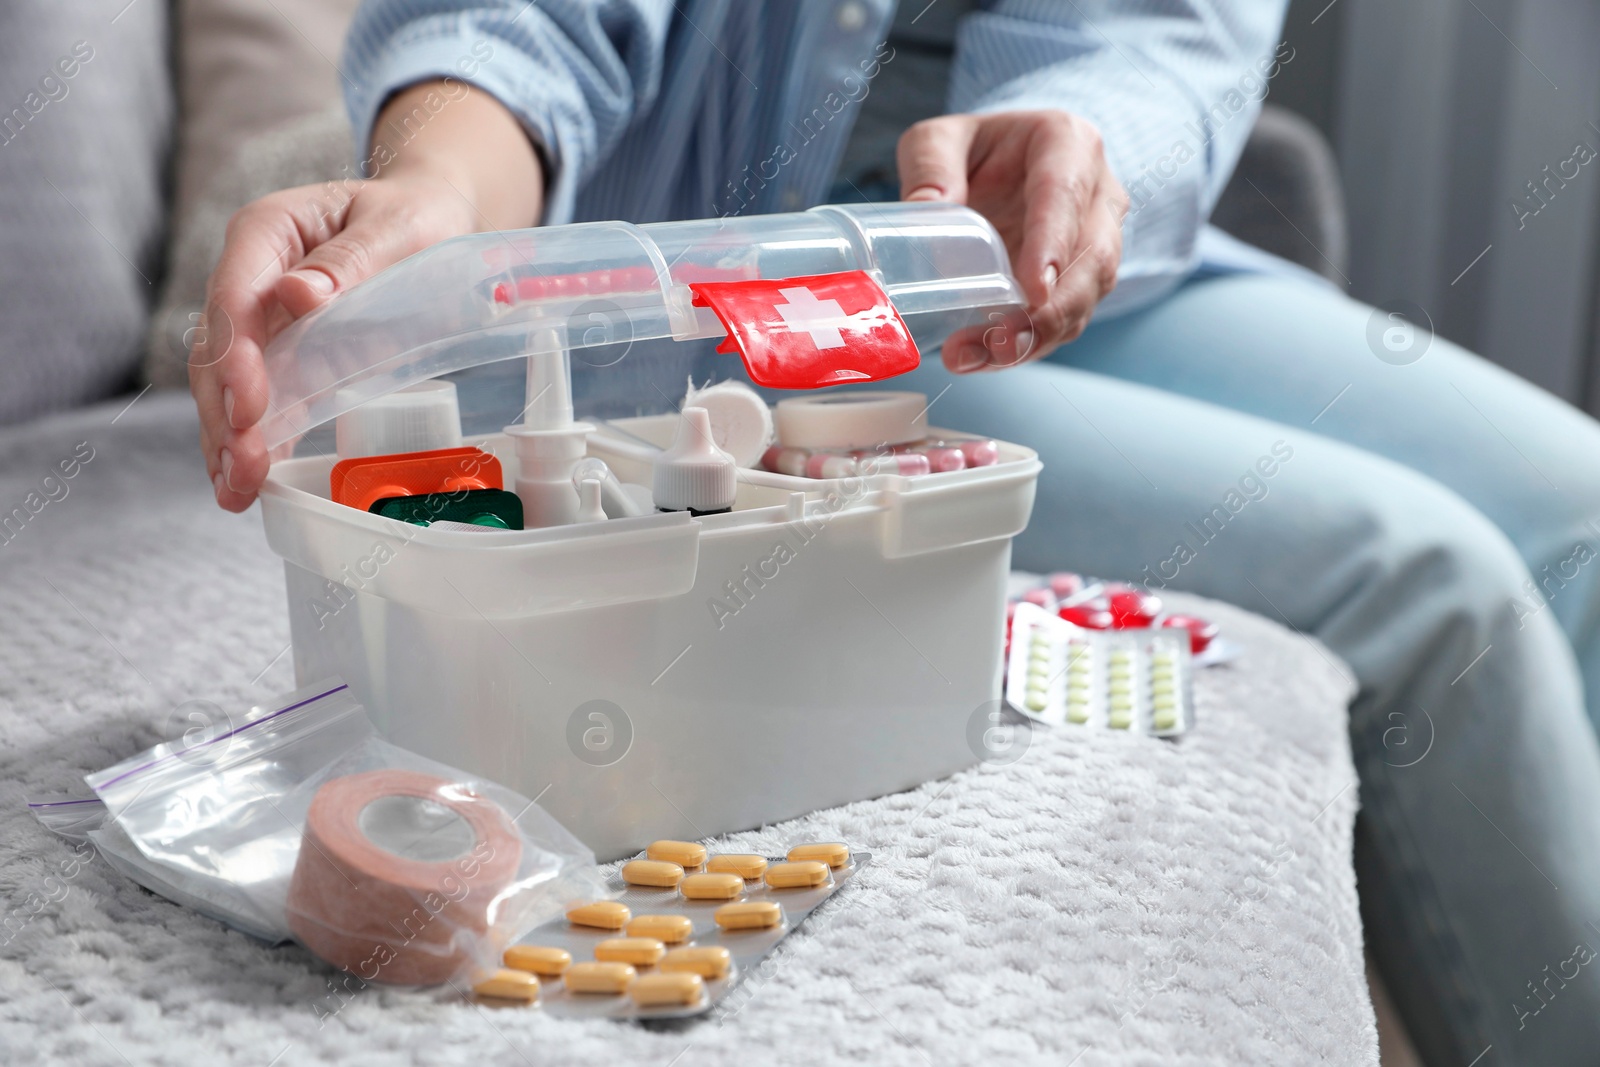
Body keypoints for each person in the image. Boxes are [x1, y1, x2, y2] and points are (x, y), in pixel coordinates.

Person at [188, 2, 1600, 1060]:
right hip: (724, 314)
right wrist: (440, 202)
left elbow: (1166, 33)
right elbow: (528, 28)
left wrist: (1081, 147)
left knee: (1576, 512)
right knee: (1438, 587)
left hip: (1044, 272)